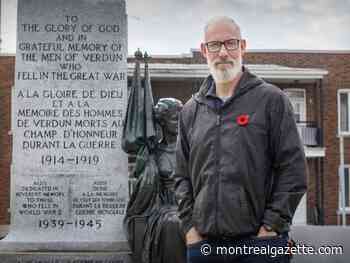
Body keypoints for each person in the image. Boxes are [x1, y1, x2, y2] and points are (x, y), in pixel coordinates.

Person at [174, 16, 307, 263]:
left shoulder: (272, 101)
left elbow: (293, 170)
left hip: (260, 245)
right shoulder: (191, 110)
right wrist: (190, 230)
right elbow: (181, 176)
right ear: (204, 51)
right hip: (205, 247)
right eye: (214, 45)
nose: (223, 52)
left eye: (231, 43)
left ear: (243, 46)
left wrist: (270, 228)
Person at [122, 52, 186, 263]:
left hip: (192, 203)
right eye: (173, 118)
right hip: (165, 208)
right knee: (173, 224)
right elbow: (145, 191)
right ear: (162, 121)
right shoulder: (154, 155)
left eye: (180, 118)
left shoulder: (191, 151)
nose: (178, 123)